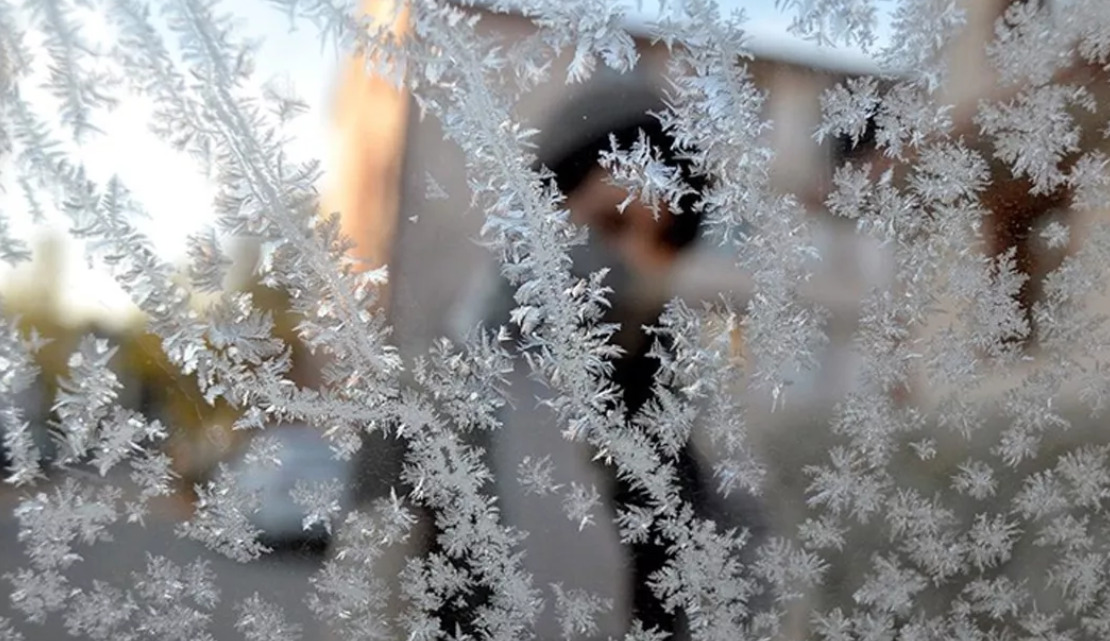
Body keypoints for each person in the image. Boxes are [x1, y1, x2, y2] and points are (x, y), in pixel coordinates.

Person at [450, 73, 750, 640]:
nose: (634, 261)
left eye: (664, 238)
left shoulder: (675, 443)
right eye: (610, 224)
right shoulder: (444, 405)